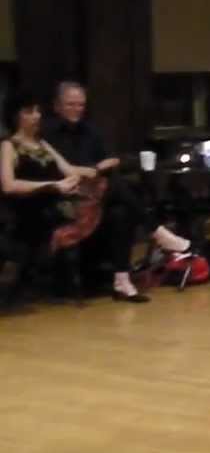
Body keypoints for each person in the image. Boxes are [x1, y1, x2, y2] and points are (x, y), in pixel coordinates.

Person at [40, 81, 192, 297]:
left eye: (81, 105)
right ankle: (158, 233)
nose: (77, 109)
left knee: (122, 210)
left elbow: (112, 159)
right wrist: (89, 172)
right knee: (119, 186)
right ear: (57, 106)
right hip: (68, 197)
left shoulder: (90, 130)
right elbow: (64, 170)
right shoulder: (47, 135)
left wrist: (94, 169)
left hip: (97, 193)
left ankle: (122, 279)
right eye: (71, 104)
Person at [0, 94, 131, 299]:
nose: (36, 116)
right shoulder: (9, 145)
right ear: (16, 116)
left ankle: (125, 266)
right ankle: (158, 235)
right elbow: (8, 185)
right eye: (29, 112)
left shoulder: (41, 143)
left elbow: (69, 170)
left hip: (58, 200)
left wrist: (98, 168)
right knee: (115, 193)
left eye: (37, 111)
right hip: (33, 208)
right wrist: (53, 186)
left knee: (115, 192)